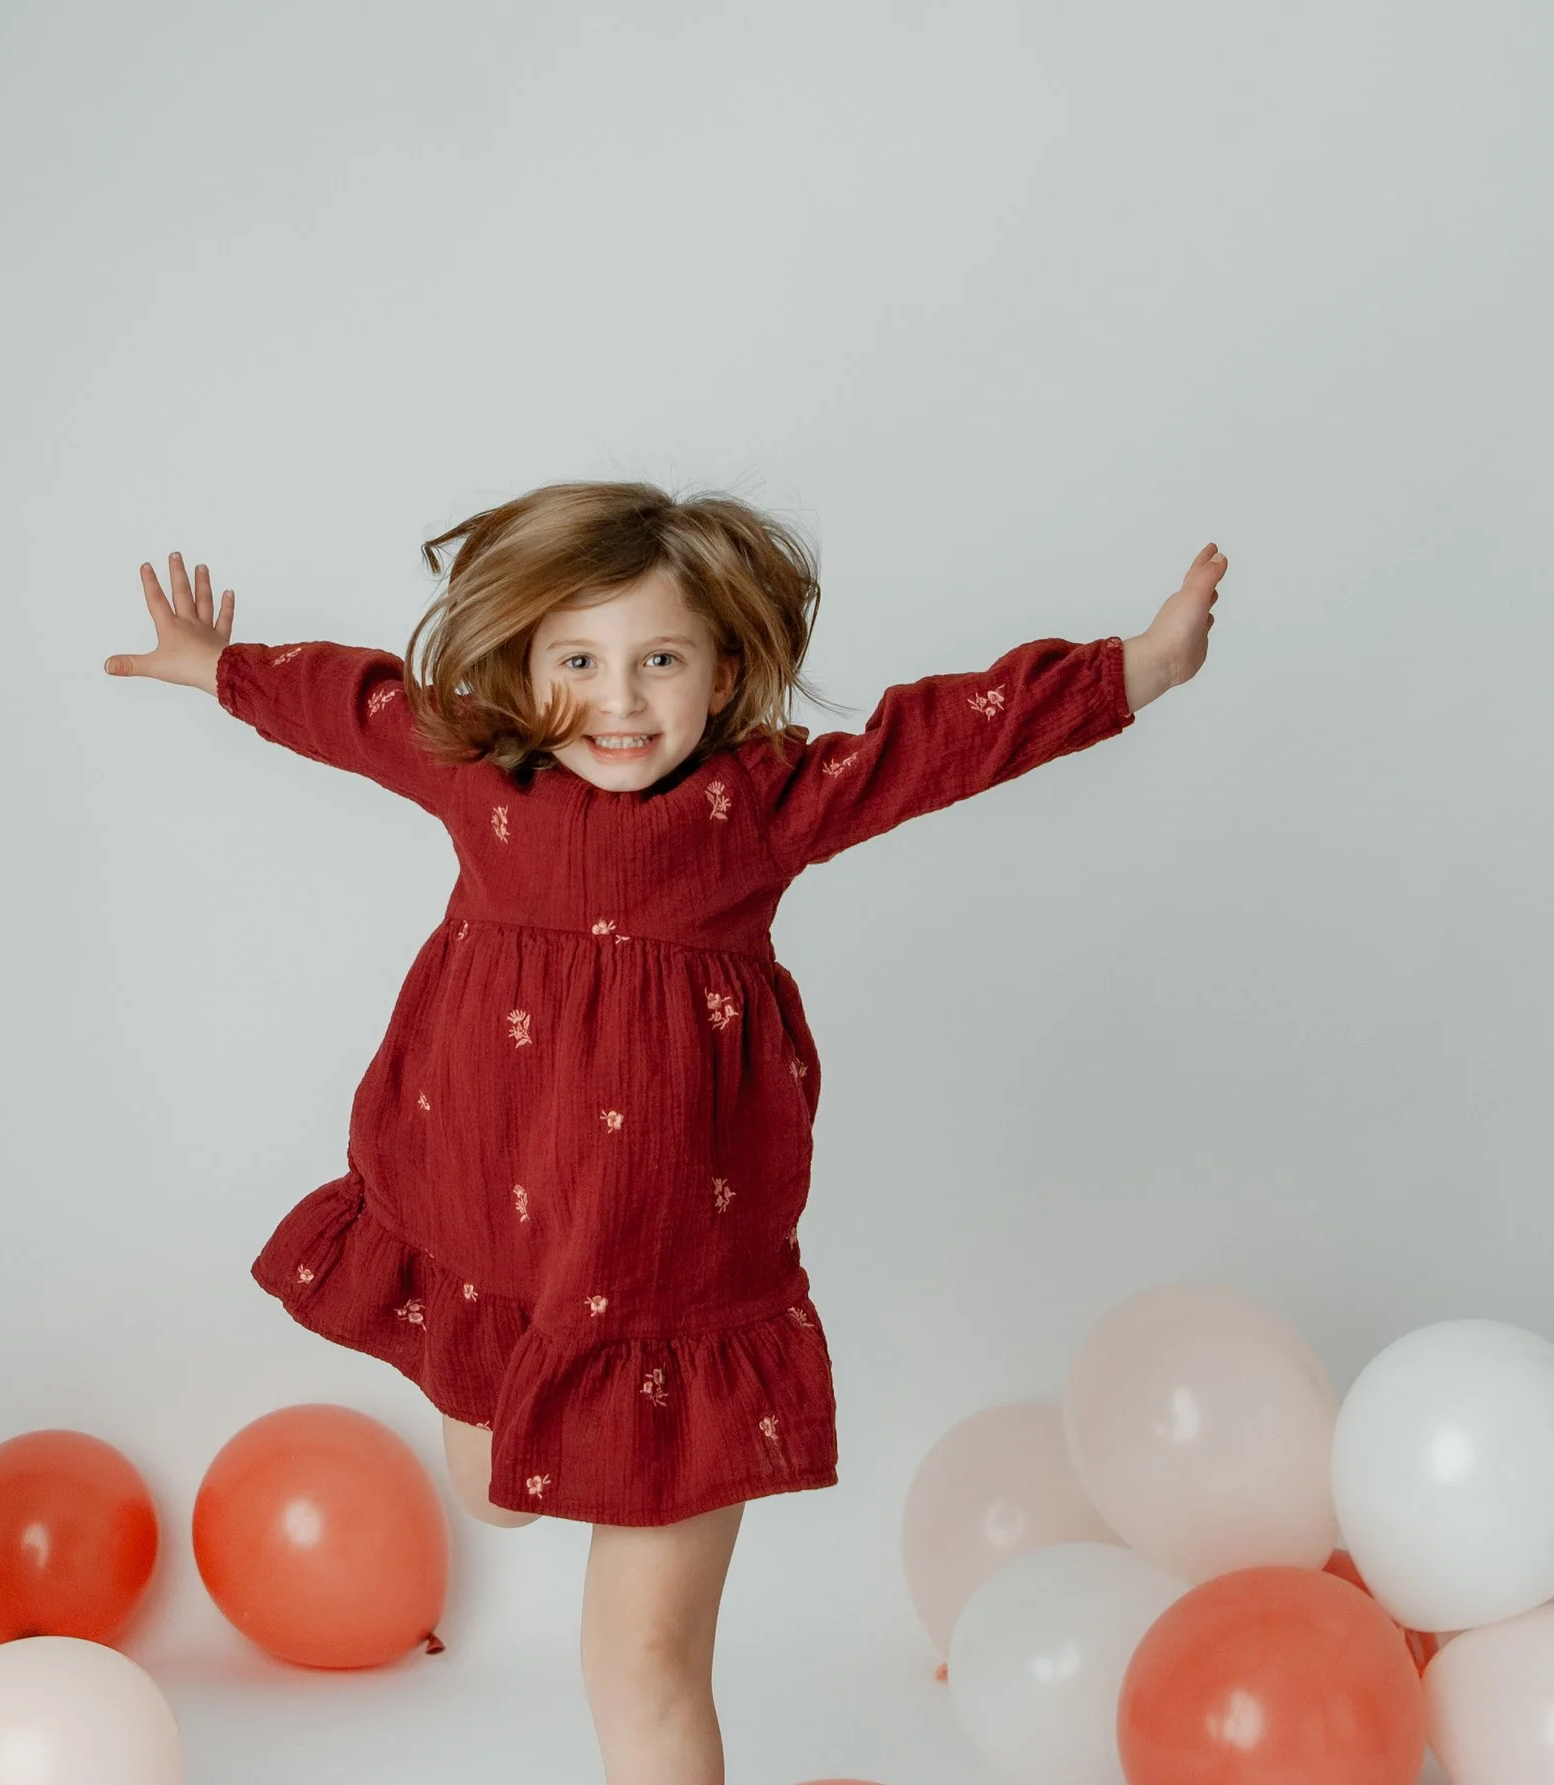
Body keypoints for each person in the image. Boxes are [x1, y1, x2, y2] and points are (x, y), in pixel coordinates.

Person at [105, 481, 1223, 1785]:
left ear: (725, 669)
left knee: (636, 1662)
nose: (622, 703)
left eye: (661, 663)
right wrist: (217, 667)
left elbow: (934, 743)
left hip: (676, 1280)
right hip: (490, 1221)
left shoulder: (758, 801)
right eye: (580, 662)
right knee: (488, 1485)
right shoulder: (479, 769)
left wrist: (1137, 668)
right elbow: (351, 706)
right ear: (522, 668)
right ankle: (532, 1385)